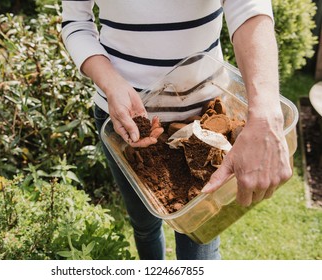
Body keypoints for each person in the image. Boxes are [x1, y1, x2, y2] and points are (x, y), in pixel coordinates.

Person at [61, 0, 292, 260]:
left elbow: (249, 7)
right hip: (126, 125)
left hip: (205, 121)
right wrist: (111, 83)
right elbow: (76, 21)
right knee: (145, 226)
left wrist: (265, 118)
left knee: (199, 243)